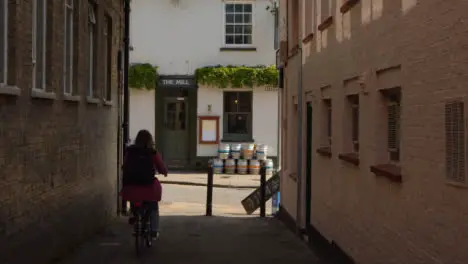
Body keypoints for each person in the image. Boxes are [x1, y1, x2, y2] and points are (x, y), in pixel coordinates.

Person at [120, 129, 168, 239]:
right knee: (153, 205)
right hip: (148, 187)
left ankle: (134, 213)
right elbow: (161, 167)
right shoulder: (152, 153)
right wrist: (164, 172)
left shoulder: (130, 151)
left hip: (131, 187)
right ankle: (154, 230)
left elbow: (125, 166)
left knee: (134, 199)